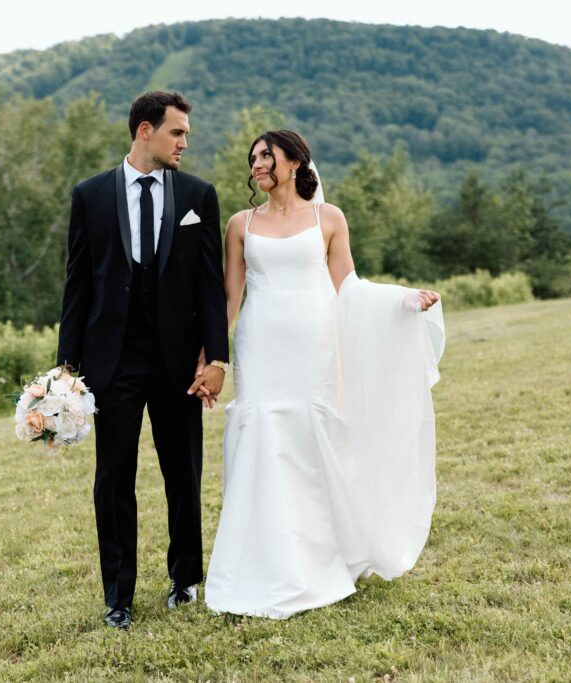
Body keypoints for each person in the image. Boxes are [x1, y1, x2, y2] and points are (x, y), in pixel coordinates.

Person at [204, 130, 445, 619]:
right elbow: (229, 298)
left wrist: (402, 300)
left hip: (314, 343)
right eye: (252, 159)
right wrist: (214, 358)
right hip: (261, 343)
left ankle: (318, 559)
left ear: (294, 162)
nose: (257, 165)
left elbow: (349, 287)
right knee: (264, 438)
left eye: (266, 156)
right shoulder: (240, 224)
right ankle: (260, 562)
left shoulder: (328, 218)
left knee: (311, 440)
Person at [56, 91, 229, 629]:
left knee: (184, 473)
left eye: (186, 136)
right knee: (114, 478)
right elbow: (78, 286)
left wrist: (218, 358)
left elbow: (209, 287)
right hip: (111, 363)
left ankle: (184, 581)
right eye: (176, 133)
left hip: (178, 366)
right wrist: (65, 370)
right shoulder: (90, 196)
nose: (184, 143)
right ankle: (119, 598)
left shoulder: (199, 195)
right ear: (145, 131)